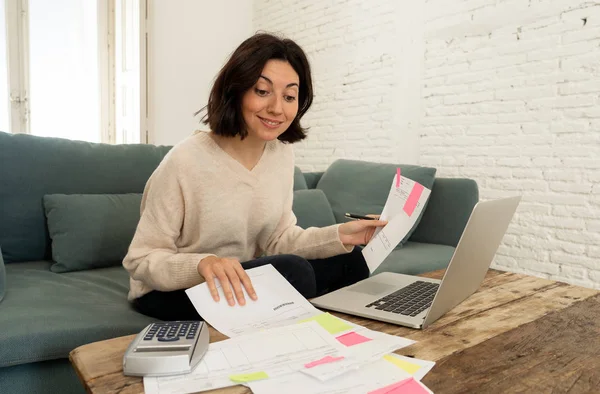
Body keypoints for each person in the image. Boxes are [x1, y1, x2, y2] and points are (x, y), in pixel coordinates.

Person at [123, 33, 387, 321]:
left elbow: (279, 240)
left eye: (289, 96)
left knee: (351, 260)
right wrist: (203, 264)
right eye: (262, 91)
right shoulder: (184, 161)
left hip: (241, 279)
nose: (277, 108)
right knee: (293, 273)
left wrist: (340, 235)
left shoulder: (281, 156)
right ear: (236, 90)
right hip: (174, 291)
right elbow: (141, 260)